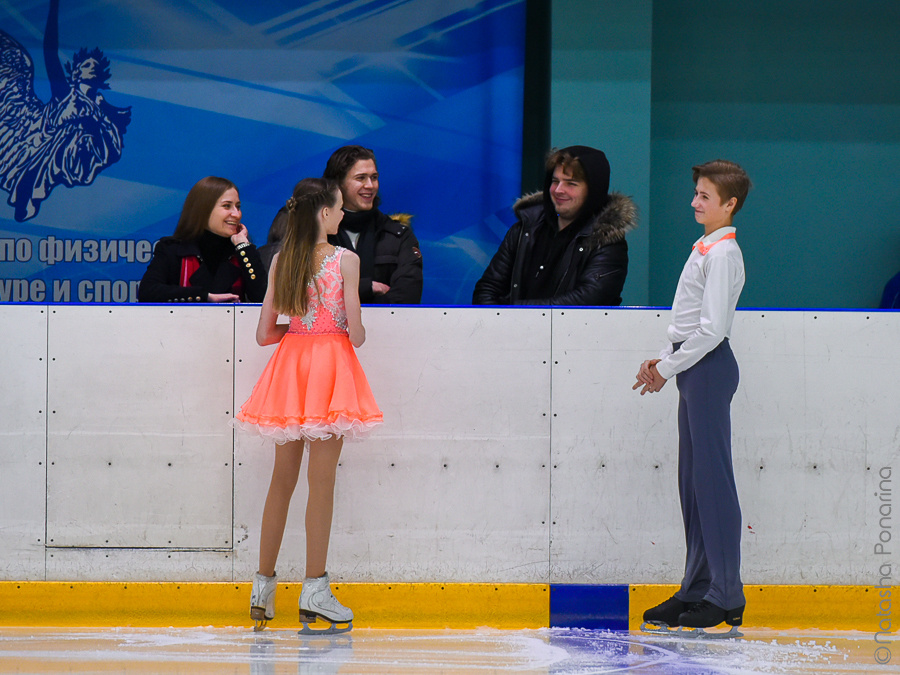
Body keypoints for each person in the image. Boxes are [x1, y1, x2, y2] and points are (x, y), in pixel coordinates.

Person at [233, 177, 383, 634]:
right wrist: (333, 329)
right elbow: (356, 333)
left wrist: (299, 331)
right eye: (338, 208)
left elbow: (264, 334)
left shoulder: (283, 259)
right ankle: (315, 589)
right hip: (330, 369)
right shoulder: (346, 260)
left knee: (282, 480)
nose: (343, 215)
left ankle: (262, 588)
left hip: (291, 368)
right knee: (321, 483)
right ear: (324, 212)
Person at [633, 159, 751, 636]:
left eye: (704, 196)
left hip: (708, 368)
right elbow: (687, 324)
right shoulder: (706, 247)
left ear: (729, 204)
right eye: (696, 193)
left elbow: (712, 329)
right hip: (694, 367)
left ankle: (726, 593)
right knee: (693, 482)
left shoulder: (722, 254)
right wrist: (664, 358)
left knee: (712, 482)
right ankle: (698, 586)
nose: (694, 202)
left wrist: (667, 368)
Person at [472, 145, 637, 305]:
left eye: (571, 183)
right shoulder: (524, 230)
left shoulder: (607, 242)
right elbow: (487, 289)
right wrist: (504, 319)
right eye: (555, 181)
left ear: (593, 191)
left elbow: (586, 302)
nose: (558, 190)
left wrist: (512, 310)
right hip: (510, 325)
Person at [138, 176, 266, 303]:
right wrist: (204, 296)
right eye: (227, 206)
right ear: (203, 209)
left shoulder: (242, 251)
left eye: (238, 207)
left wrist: (243, 246)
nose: (237, 214)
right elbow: (147, 292)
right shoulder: (172, 249)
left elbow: (263, 297)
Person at [323, 145, 423, 303]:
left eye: (374, 177)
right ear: (338, 183)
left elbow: (408, 295)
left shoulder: (398, 235)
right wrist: (366, 288)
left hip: (386, 320)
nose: (370, 185)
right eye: (360, 178)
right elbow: (306, 291)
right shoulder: (315, 232)